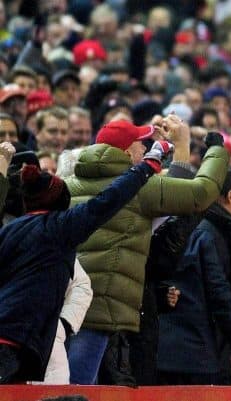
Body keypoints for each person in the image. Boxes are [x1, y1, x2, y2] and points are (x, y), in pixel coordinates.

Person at [64, 116, 229, 385]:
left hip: (69, 296)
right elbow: (201, 193)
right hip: (103, 304)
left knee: (79, 380)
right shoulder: (138, 187)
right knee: (80, 386)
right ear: (128, 152)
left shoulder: (69, 184)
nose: (146, 149)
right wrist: (216, 150)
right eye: (142, 144)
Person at [0, 139, 169, 383]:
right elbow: (109, 199)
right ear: (61, 202)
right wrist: (147, 165)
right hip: (20, 340)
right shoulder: (59, 228)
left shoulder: (11, 229)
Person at [156, 168, 231, 385]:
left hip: (161, 349)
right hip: (197, 352)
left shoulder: (162, 229)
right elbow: (219, 292)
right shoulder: (207, 234)